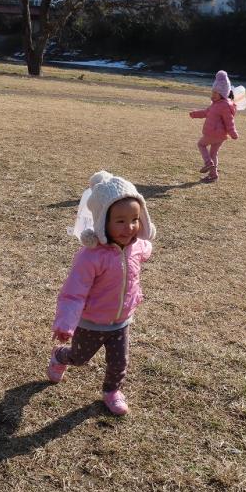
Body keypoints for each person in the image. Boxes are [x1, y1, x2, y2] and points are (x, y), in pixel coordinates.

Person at [47, 171, 156, 416]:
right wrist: (65, 323)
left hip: (121, 321)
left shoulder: (137, 246)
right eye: (120, 221)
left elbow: (145, 249)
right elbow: (73, 292)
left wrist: (147, 243)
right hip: (92, 322)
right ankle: (60, 357)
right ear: (103, 221)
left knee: (119, 362)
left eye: (135, 219)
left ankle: (112, 391)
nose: (129, 227)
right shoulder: (90, 257)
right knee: (79, 357)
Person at [189, 70, 239, 183]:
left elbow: (229, 121)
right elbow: (206, 112)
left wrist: (233, 132)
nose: (213, 95)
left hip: (213, 133)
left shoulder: (224, 106)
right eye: (212, 92)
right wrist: (195, 114)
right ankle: (213, 175)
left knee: (201, 144)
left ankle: (208, 163)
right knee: (213, 154)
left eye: (215, 93)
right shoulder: (215, 104)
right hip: (220, 136)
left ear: (223, 94)